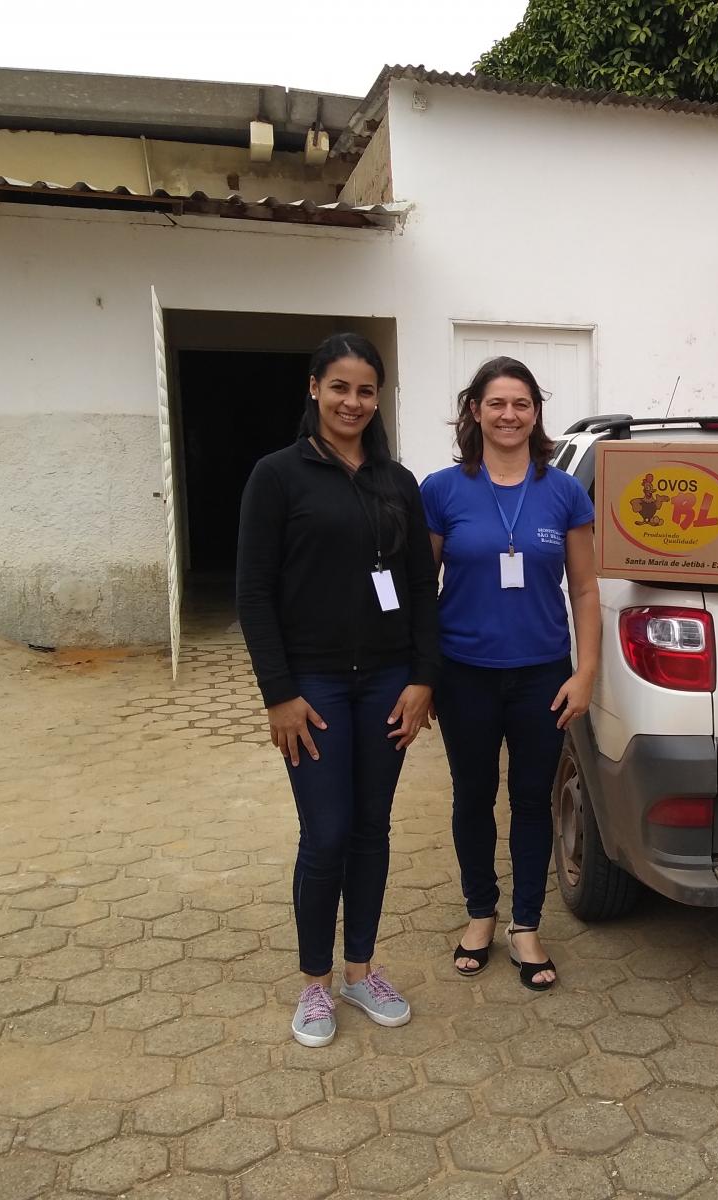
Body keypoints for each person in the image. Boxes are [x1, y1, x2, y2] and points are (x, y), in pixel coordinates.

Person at [236, 333, 439, 1047]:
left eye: (365, 391)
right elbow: (253, 593)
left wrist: (422, 678)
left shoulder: (398, 482)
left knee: (371, 829)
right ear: (315, 388)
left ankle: (361, 971)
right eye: (340, 388)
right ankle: (315, 985)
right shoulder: (277, 476)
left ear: (377, 399)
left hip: (386, 682)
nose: (352, 402)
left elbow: (419, 586)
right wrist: (278, 693)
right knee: (325, 835)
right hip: (314, 687)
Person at [421, 356, 600, 992]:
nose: (508, 415)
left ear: (535, 413)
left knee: (530, 801)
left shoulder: (563, 490)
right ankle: (479, 914)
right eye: (496, 403)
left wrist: (586, 675)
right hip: (464, 674)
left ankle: (526, 925)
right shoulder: (441, 490)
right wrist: (423, 675)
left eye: (521, 404)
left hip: (541, 676)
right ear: (475, 411)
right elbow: (421, 589)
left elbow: (583, 591)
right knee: (472, 797)